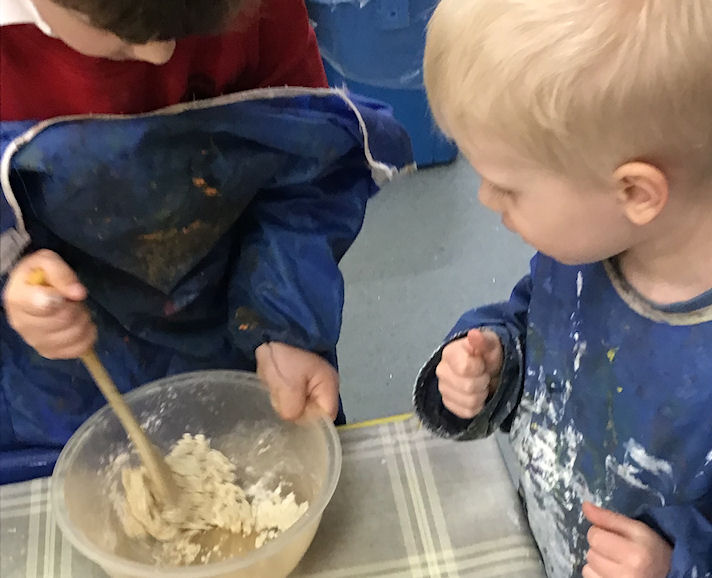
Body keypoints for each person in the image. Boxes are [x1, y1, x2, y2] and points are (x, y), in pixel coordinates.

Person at [413, 1, 712, 576]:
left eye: (508, 187)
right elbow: (540, 332)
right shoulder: (585, 254)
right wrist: (494, 364)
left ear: (635, 192)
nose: (484, 199)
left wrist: (677, 568)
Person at [0, 0, 410, 482]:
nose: (161, 54)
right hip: (51, 378)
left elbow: (302, 173)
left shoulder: (259, 10)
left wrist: (282, 323)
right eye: (122, 35)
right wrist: (14, 266)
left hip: (231, 316)